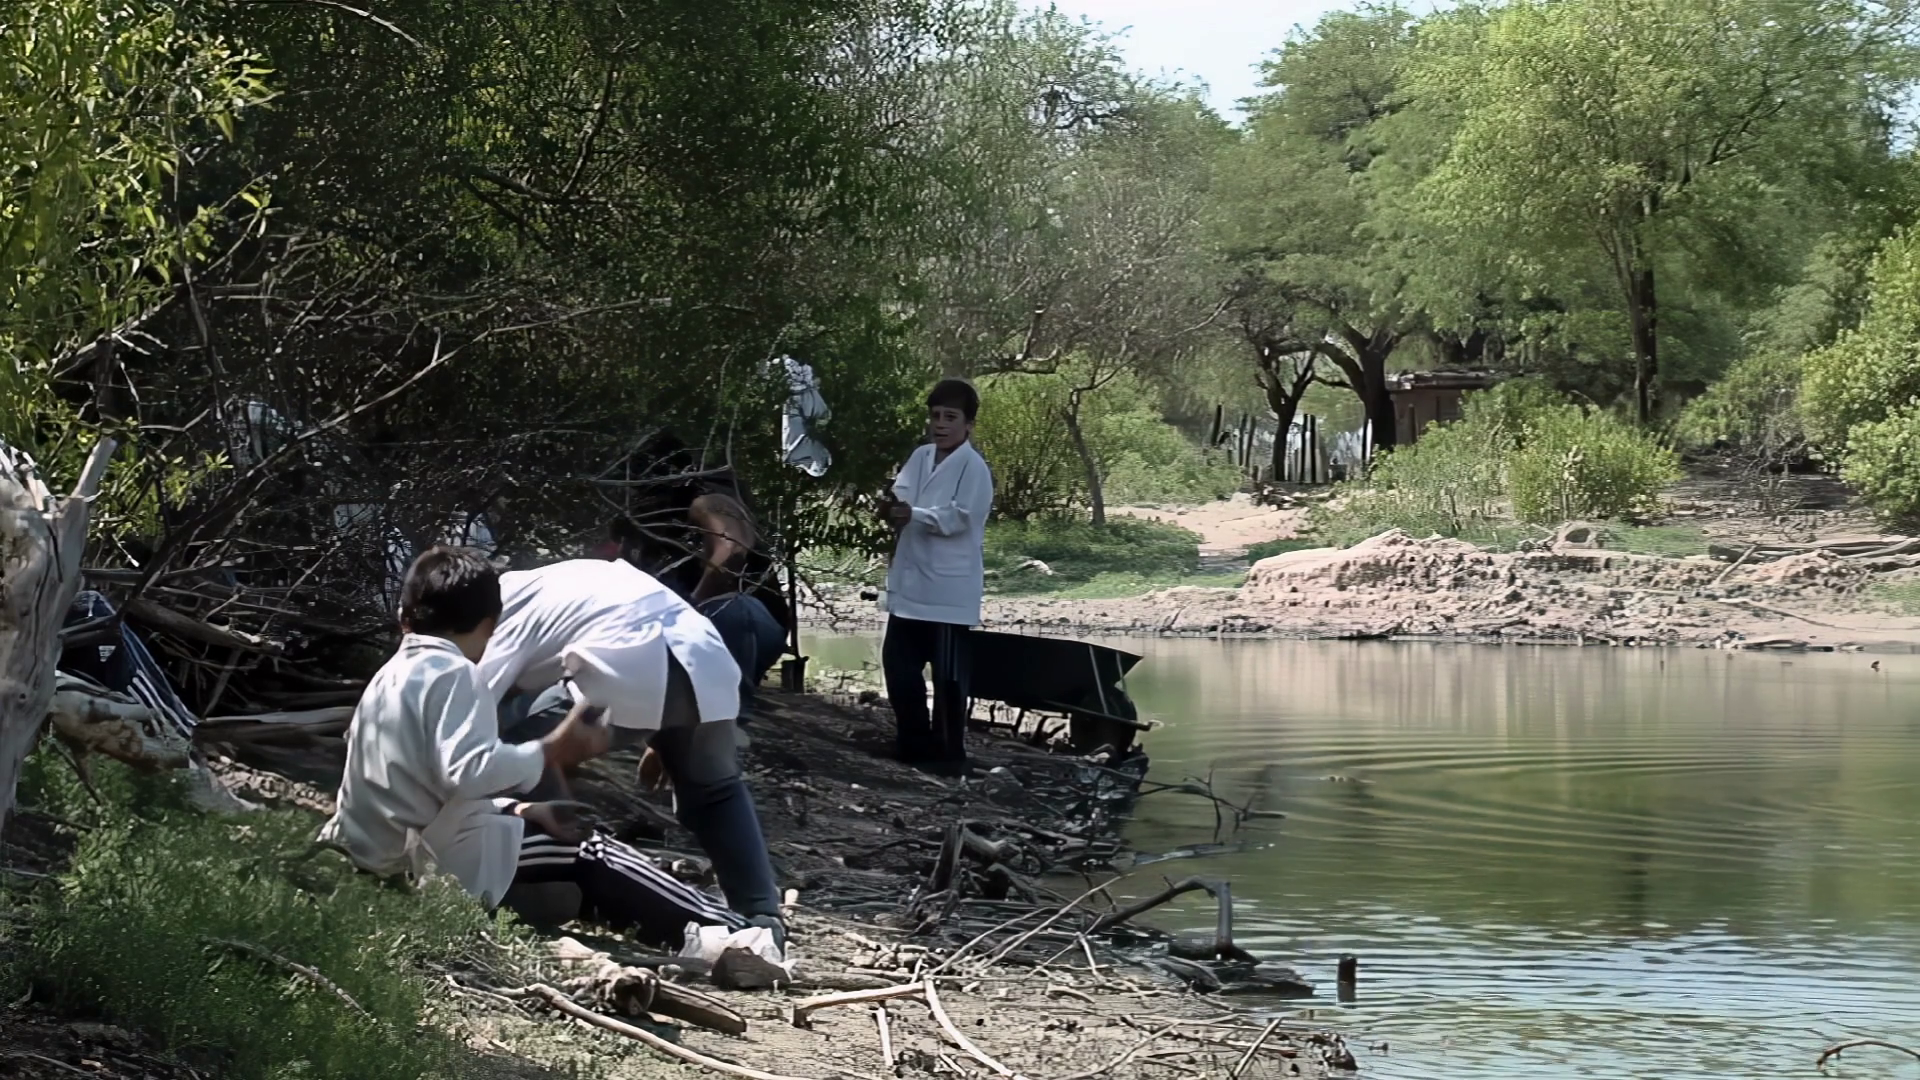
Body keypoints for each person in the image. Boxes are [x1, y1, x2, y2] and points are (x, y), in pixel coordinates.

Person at [318, 547, 747, 946]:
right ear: (490, 625)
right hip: (428, 859)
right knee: (592, 852)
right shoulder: (455, 673)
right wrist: (549, 750)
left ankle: (688, 929)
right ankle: (731, 932)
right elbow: (468, 772)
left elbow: (426, 781)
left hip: (382, 851)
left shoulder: (392, 675)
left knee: (559, 871)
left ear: (404, 617)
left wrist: (522, 810)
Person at [476, 555, 787, 944]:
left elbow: (474, 713)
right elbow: (648, 627)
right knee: (716, 792)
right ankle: (761, 915)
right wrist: (663, 732)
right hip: (706, 657)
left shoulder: (497, 610)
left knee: (523, 750)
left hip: (635, 662)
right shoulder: (561, 578)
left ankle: (538, 881)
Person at [879, 378, 994, 773]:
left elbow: (960, 518)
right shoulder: (921, 456)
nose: (940, 425)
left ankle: (948, 754)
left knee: (948, 680)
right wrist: (892, 509)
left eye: (950, 417)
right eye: (935, 416)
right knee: (899, 667)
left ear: (968, 424)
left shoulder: (974, 468)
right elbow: (902, 496)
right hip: (911, 584)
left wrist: (914, 514)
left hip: (948, 591)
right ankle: (913, 744)